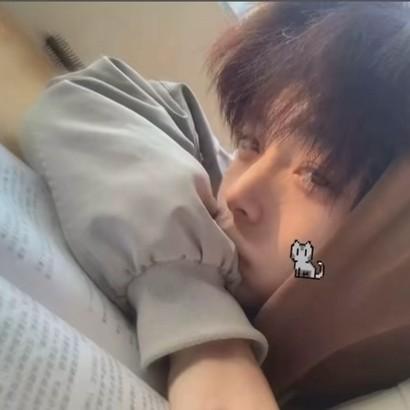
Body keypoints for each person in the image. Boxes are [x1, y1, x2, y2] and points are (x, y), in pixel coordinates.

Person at [17, 2, 410, 409]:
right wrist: (206, 334)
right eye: (250, 142)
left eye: (317, 176)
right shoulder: (213, 187)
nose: (238, 194)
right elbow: (88, 96)